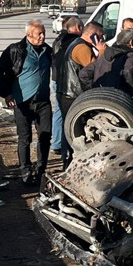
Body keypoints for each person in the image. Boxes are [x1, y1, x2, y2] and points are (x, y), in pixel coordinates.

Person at [0, 20, 54, 188]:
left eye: (43, 33)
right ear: (28, 35)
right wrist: (7, 93)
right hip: (22, 102)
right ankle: (25, 171)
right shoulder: (16, 50)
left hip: (43, 101)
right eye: (39, 34)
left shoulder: (48, 50)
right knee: (25, 138)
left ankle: (41, 170)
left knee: (46, 136)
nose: (42, 36)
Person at [56, 22, 103, 164]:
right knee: (76, 133)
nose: (102, 40)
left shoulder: (75, 43)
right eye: (100, 36)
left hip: (67, 93)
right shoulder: (82, 48)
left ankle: (67, 160)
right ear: (93, 35)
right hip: (74, 95)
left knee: (68, 130)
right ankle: (72, 162)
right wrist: (101, 51)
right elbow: (96, 70)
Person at [49, 15, 83, 162]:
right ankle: (63, 146)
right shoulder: (73, 42)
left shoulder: (57, 40)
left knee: (59, 112)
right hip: (66, 81)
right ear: (77, 27)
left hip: (57, 78)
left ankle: (56, 143)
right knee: (66, 116)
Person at [83, 28, 133, 99]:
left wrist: (94, 90)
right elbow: (128, 71)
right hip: (119, 99)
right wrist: (130, 92)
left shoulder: (104, 55)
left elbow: (84, 73)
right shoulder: (130, 56)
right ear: (131, 42)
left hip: (99, 98)